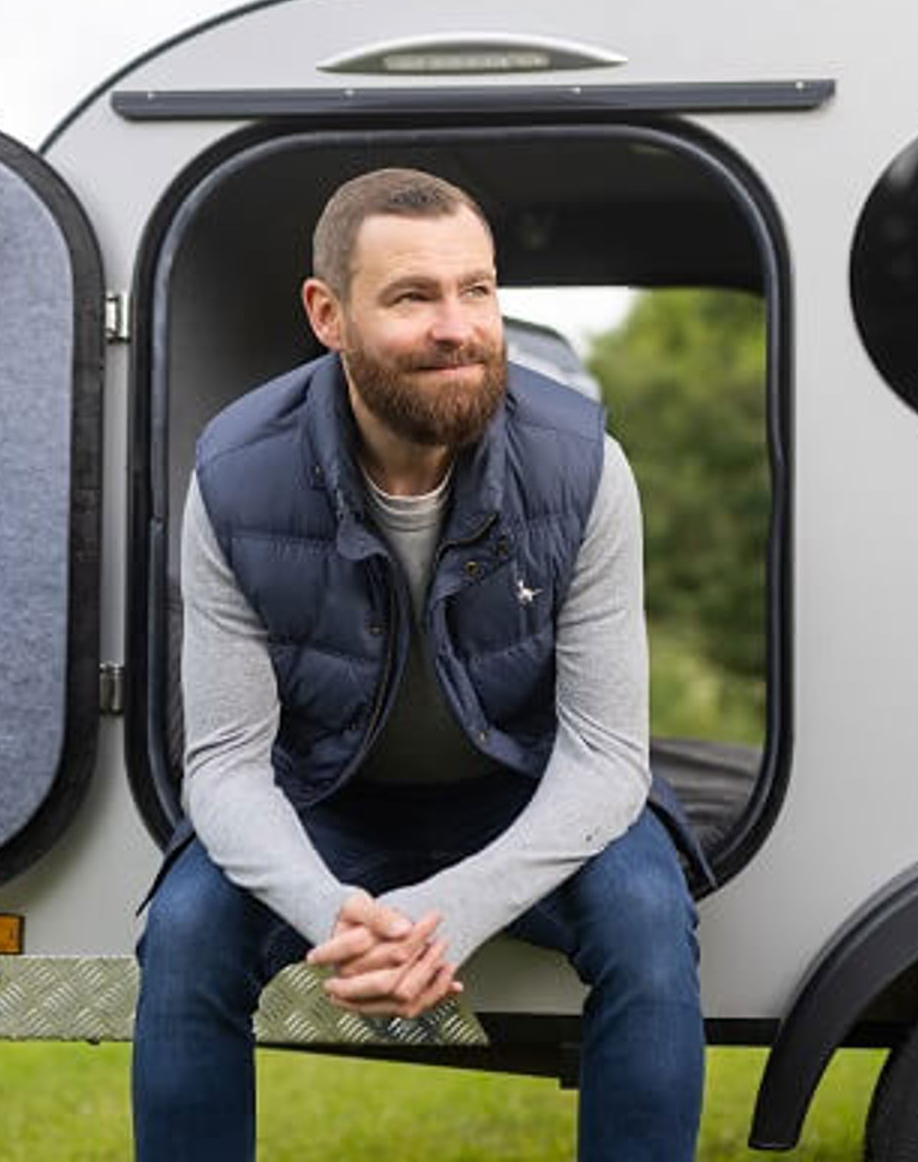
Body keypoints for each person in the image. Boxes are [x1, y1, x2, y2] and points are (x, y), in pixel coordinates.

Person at [131, 168, 706, 1161]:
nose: (458, 326)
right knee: (183, 937)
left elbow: (608, 757)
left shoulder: (585, 469)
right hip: (326, 795)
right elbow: (225, 763)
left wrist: (448, 913)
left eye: (475, 289)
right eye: (412, 297)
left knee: (650, 920)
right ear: (329, 313)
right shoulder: (232, 478)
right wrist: (339, 917)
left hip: (521, 787)